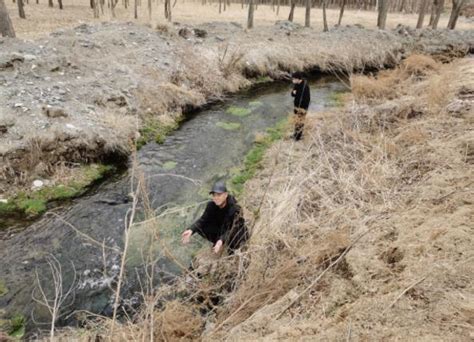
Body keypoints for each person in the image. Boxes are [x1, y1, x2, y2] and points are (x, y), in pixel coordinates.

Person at [181, 182, 249, 254]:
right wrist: (191, 230)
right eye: (214, 195)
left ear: (225, 195)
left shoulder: (234, 208)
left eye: (219, 195)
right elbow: (203, 220)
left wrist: (221, 240)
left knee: (237, 234)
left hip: (235, 233)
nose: (216, 198)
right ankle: (218, 242)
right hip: (221, 229)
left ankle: (231, 247)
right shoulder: (211, 206)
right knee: (201, 227)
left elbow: (233, 228)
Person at [290, 72, 311, 141]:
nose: (292, 80)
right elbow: (292, 94)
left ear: (298, 79)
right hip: (296, 107)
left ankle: (298, 137)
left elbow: (307, 99)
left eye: (293, 79)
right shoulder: (296, 84)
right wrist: (293, 93)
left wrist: (302, 109)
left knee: (300, 121)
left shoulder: (305, 86)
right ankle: (295, 134)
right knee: (296, 121)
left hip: (302, 108)